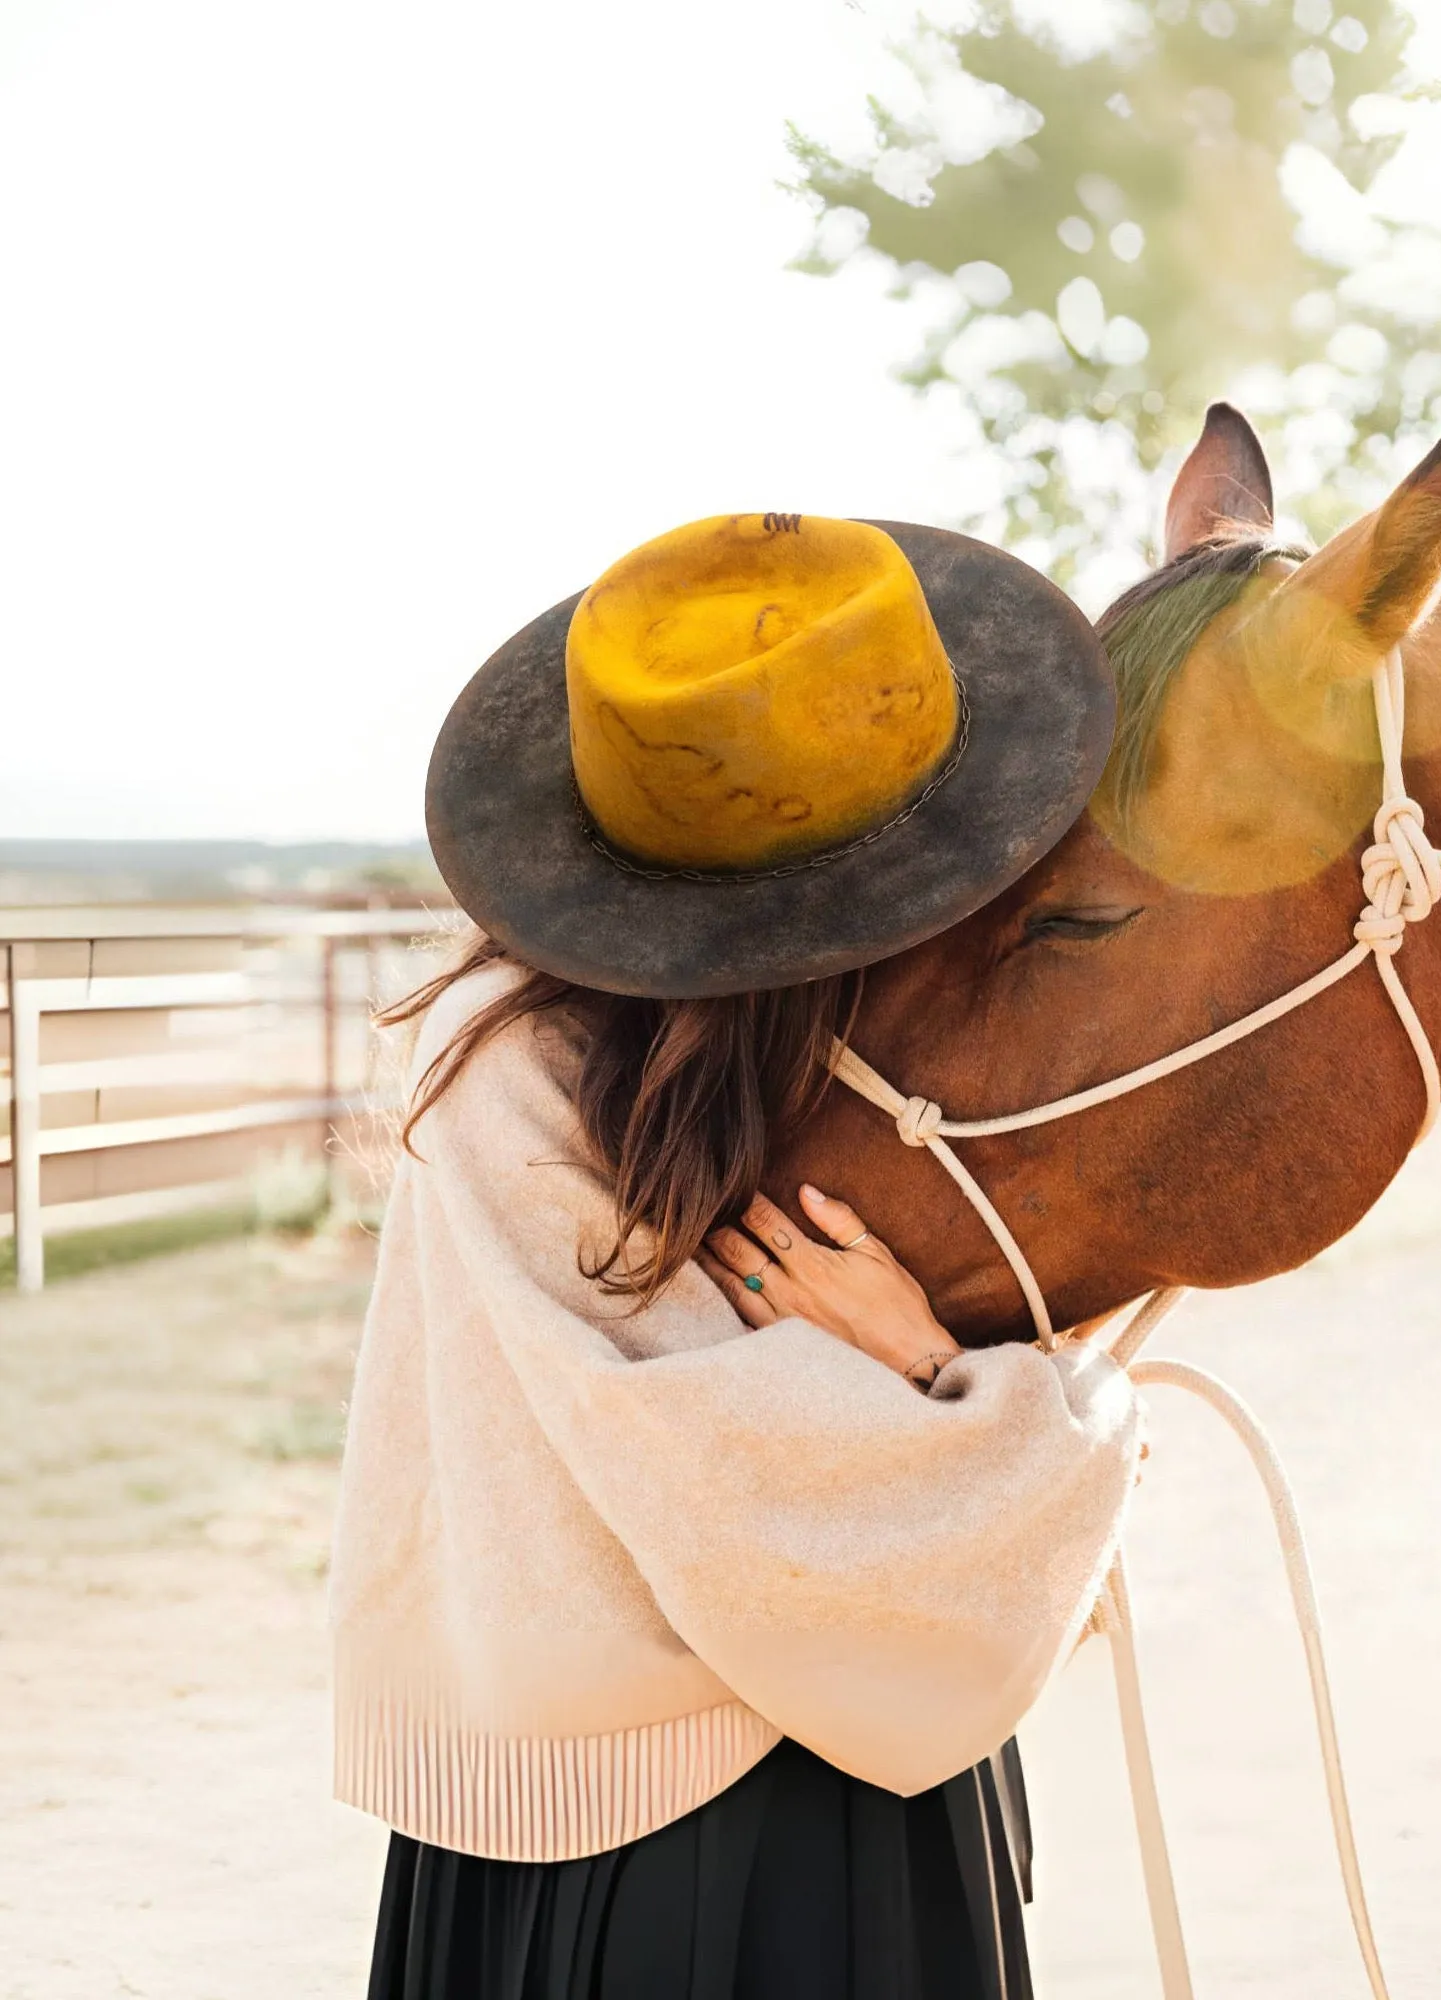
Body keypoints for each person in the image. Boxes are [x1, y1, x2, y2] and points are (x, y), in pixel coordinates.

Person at [332, 512, 1140, 2000]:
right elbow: (721, 1470)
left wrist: (921, 1362)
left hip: (848, 1769)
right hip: (654, 1813)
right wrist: (1017, 1415)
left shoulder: (906, 1036)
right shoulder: (515, 1064)